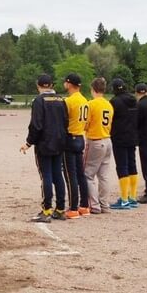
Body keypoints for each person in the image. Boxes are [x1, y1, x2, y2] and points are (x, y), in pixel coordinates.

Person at [20, 74, 68, 222]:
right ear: (51, 85)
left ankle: (46, 209)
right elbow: (66, 121)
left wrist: (29, 142)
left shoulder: (39, 101)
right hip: (59, 142)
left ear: (38, 85)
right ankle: (60, 209)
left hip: (45, 143)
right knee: (58, 175)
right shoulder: (61, 100)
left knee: (46, 175)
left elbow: (36, 125)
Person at [83, 77, 113, 214]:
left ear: (93, 89)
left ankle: (94, 205)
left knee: (88, 174)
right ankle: (104, 204)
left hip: (95, 140)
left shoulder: (91, 104)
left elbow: (86, 124)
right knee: (103, 175)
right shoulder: (108, 104)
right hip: (107, 139)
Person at [61, 73, 90, 219]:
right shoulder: (84, 100)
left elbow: (63, 120)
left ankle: (73, 208)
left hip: (70, 137)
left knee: (70, 174)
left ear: (69, 84)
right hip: (80, 136)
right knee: (80, 174)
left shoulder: (69, 101)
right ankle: (84, 206)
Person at [109, 78, 139, 209]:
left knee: (122, 167)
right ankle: (132, 197)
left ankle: (124, 199)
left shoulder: (114, 101)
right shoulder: (133, 100)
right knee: (132, 165)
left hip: (119, 137)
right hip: (132, 136)